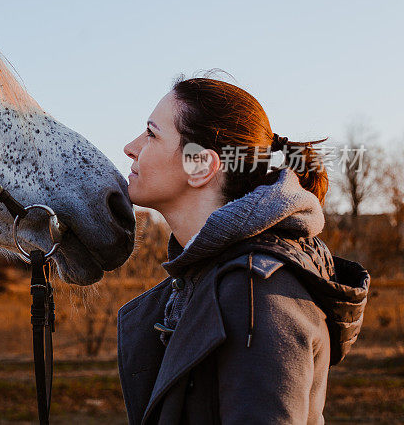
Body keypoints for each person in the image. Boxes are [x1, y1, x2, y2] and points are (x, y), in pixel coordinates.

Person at [118, 75, 369, 425]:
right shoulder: (209, 282)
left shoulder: (256, 293)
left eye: (151, 134)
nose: (131, 147)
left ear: (201, 166)